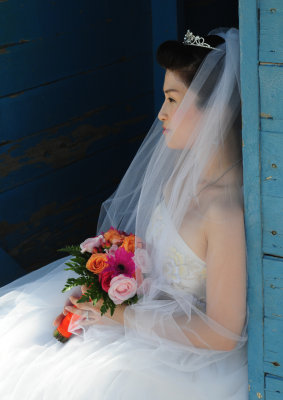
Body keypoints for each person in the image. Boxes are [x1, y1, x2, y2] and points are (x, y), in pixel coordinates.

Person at [0, 27, 248, 399]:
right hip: (150, 317)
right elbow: (160, 264)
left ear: (213, 108)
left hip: (190, 357)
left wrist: (120, 316)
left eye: (172, 99)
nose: (161, 113)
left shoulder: (224, 209)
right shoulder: (180, 176)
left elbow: (223, 334)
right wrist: (106, 288)